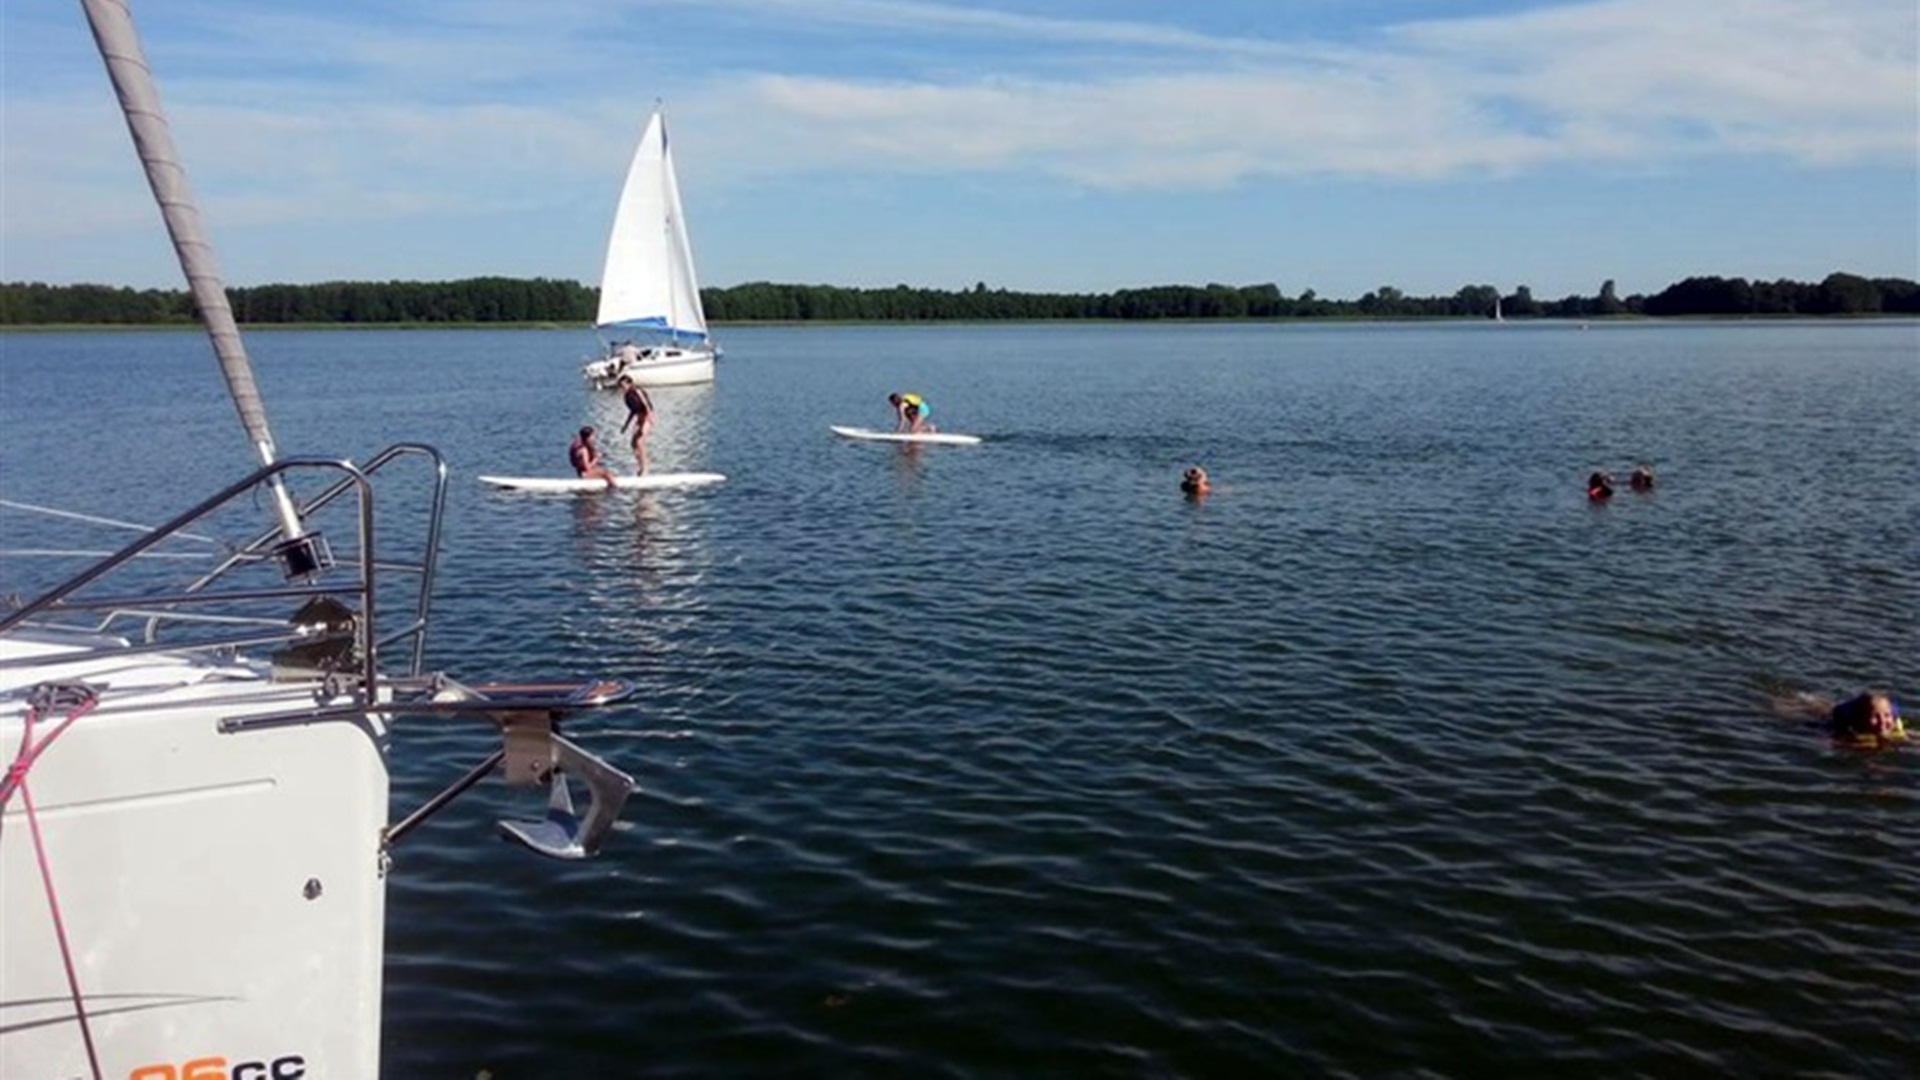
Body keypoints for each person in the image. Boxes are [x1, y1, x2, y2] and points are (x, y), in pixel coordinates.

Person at [1771, 689, 1908, 749]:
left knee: (1824, 707)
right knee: (1787, 709)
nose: (1883, 722)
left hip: (1839, 711)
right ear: (1859, 719)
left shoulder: (1893, 728)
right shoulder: (1849, 734)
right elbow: (1831, 743)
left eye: (1887, 715)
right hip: (1824, 720)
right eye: (1875, 717)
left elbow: (1912, 737)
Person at [617, 374, 654, 475]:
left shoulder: (637, 391)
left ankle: (645, 468)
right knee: (633, 444)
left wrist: (649, 417)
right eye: (621, 386)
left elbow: (645, 403)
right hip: (639, 418)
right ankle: (641, 465)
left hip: (646, 416)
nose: (622, 388)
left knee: (640, 442)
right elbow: (632, 411)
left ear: (629, 383)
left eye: (623, 385)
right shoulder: (627, 397)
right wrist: (625, 426)